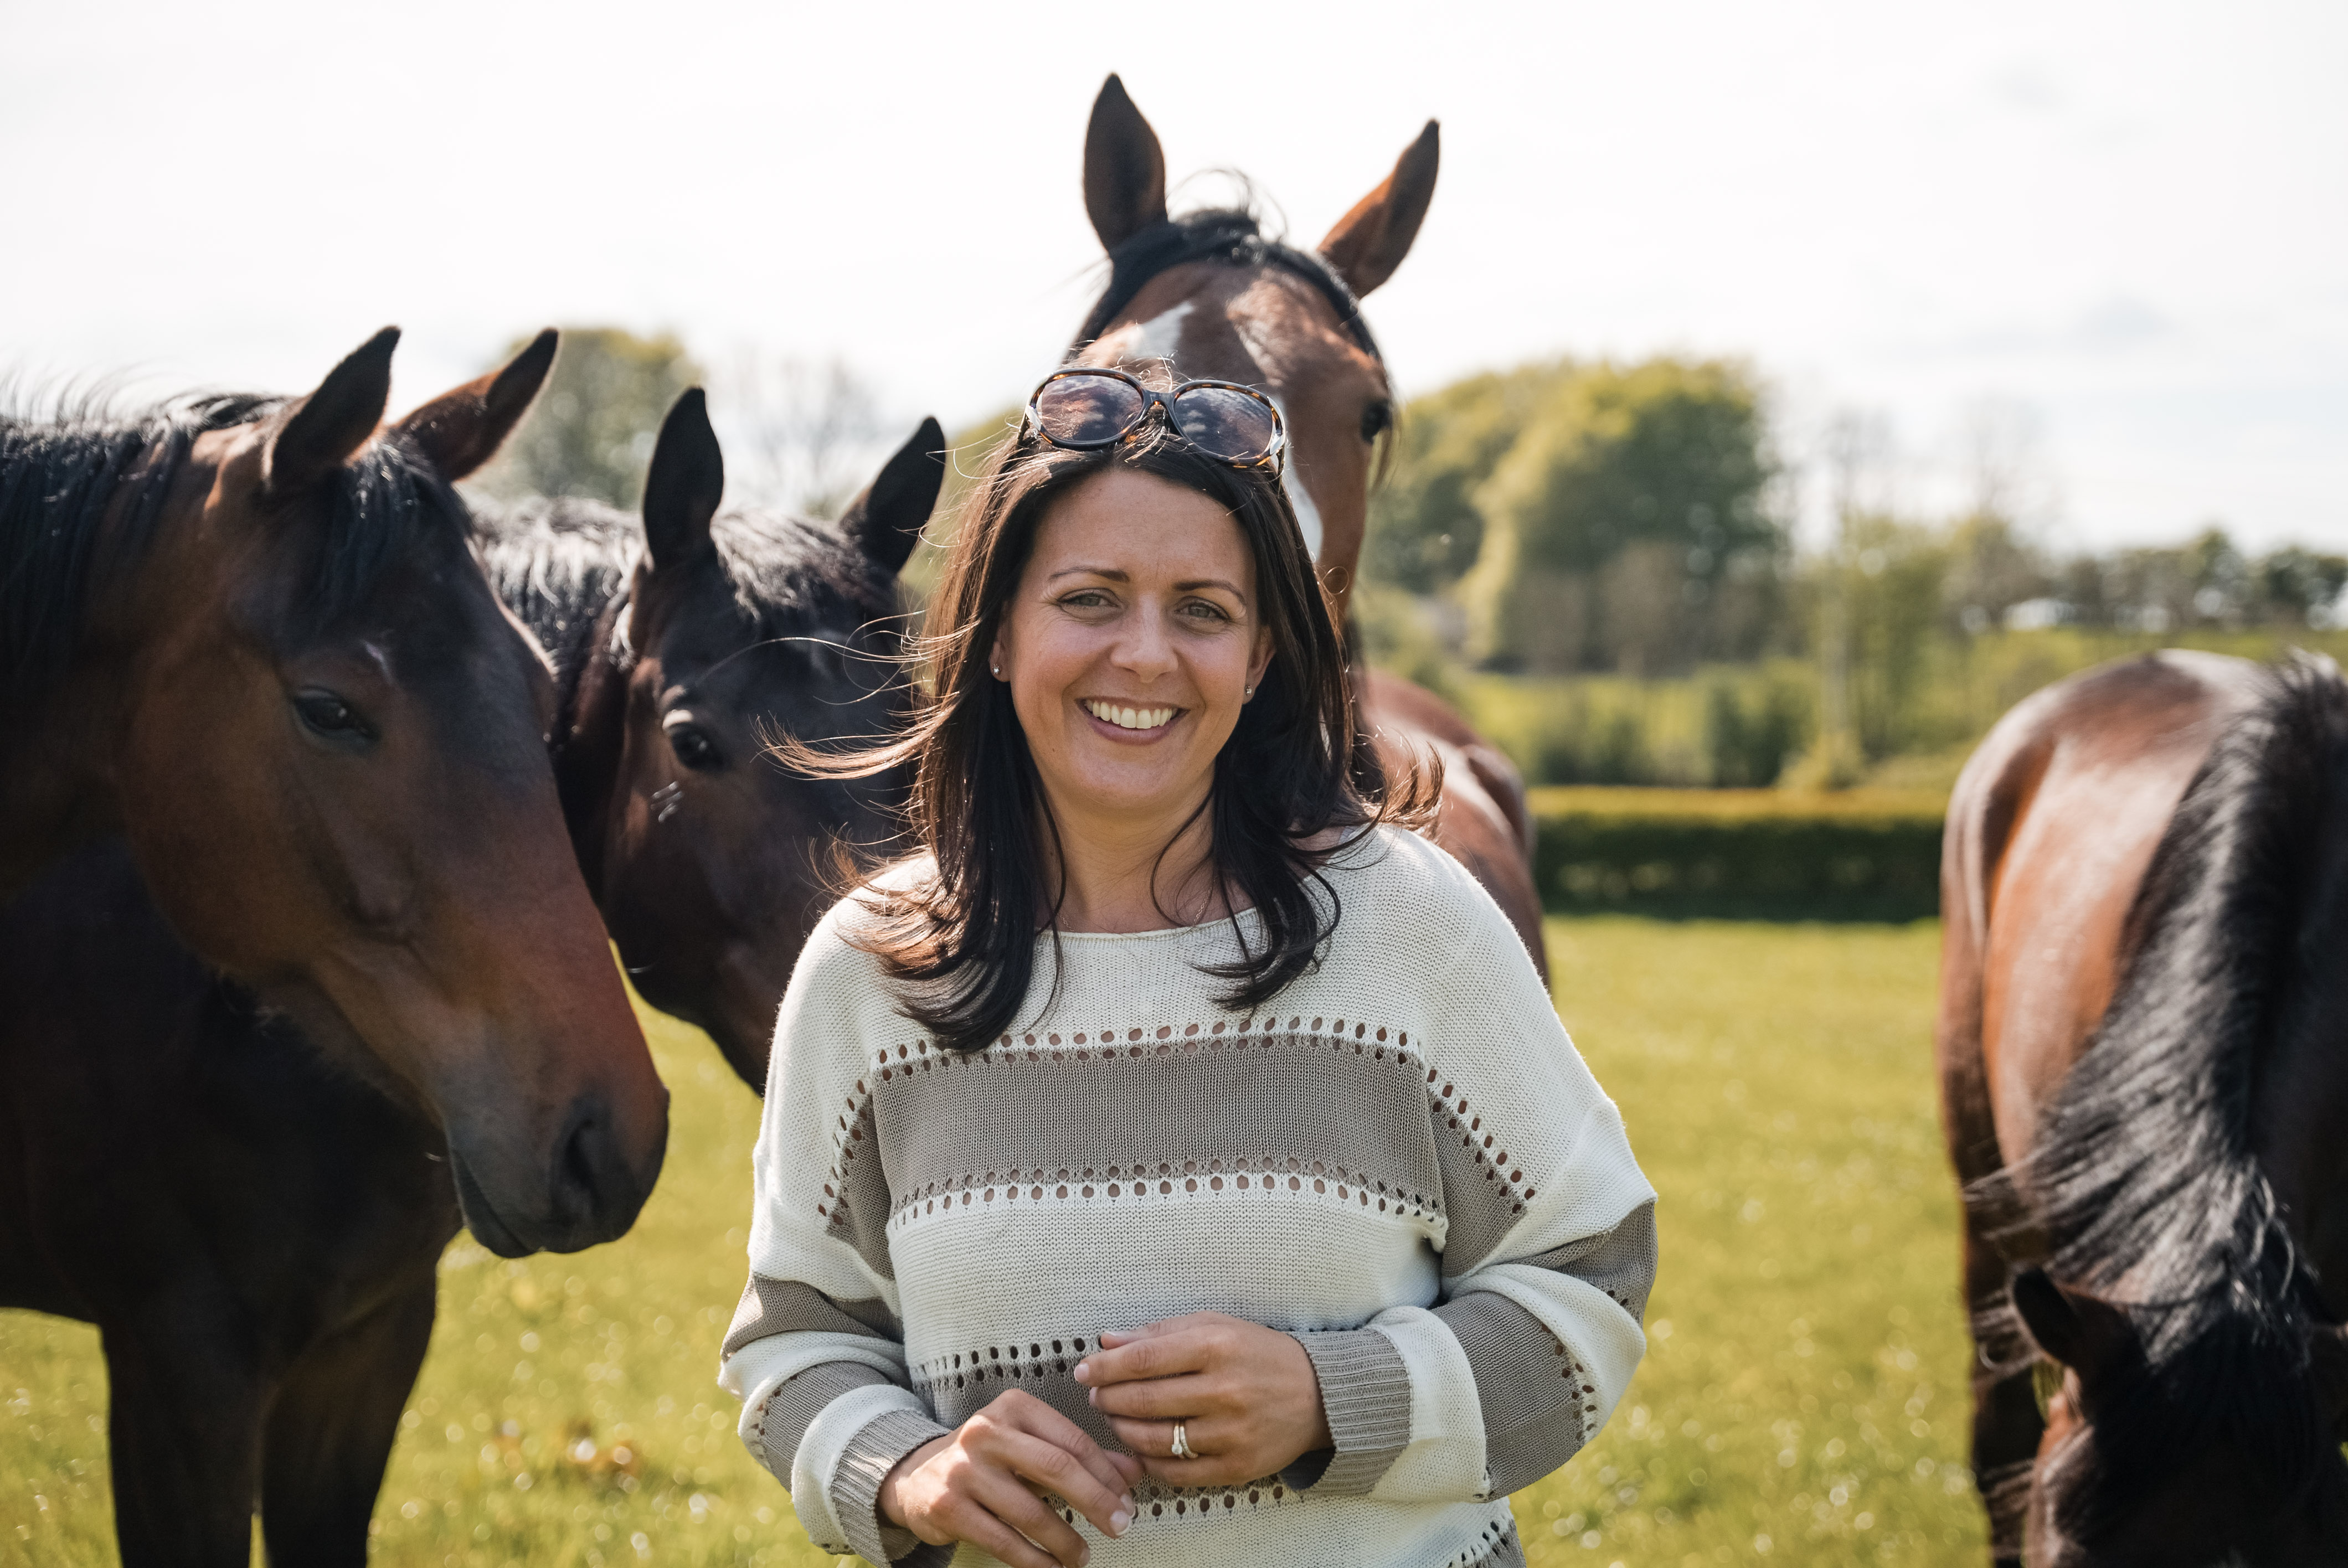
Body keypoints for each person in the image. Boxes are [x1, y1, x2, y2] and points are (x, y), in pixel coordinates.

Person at [718, 365, 1656, 1568]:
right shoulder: (869, 973)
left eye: (1202, 610)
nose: (1144, 655)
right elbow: (793, 1343)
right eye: (1090, 598)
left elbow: (1591, 1279)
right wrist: (904, 1468)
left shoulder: (1409, 925)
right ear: (1000, 631)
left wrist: (1333, 1395)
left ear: (1261, 655)